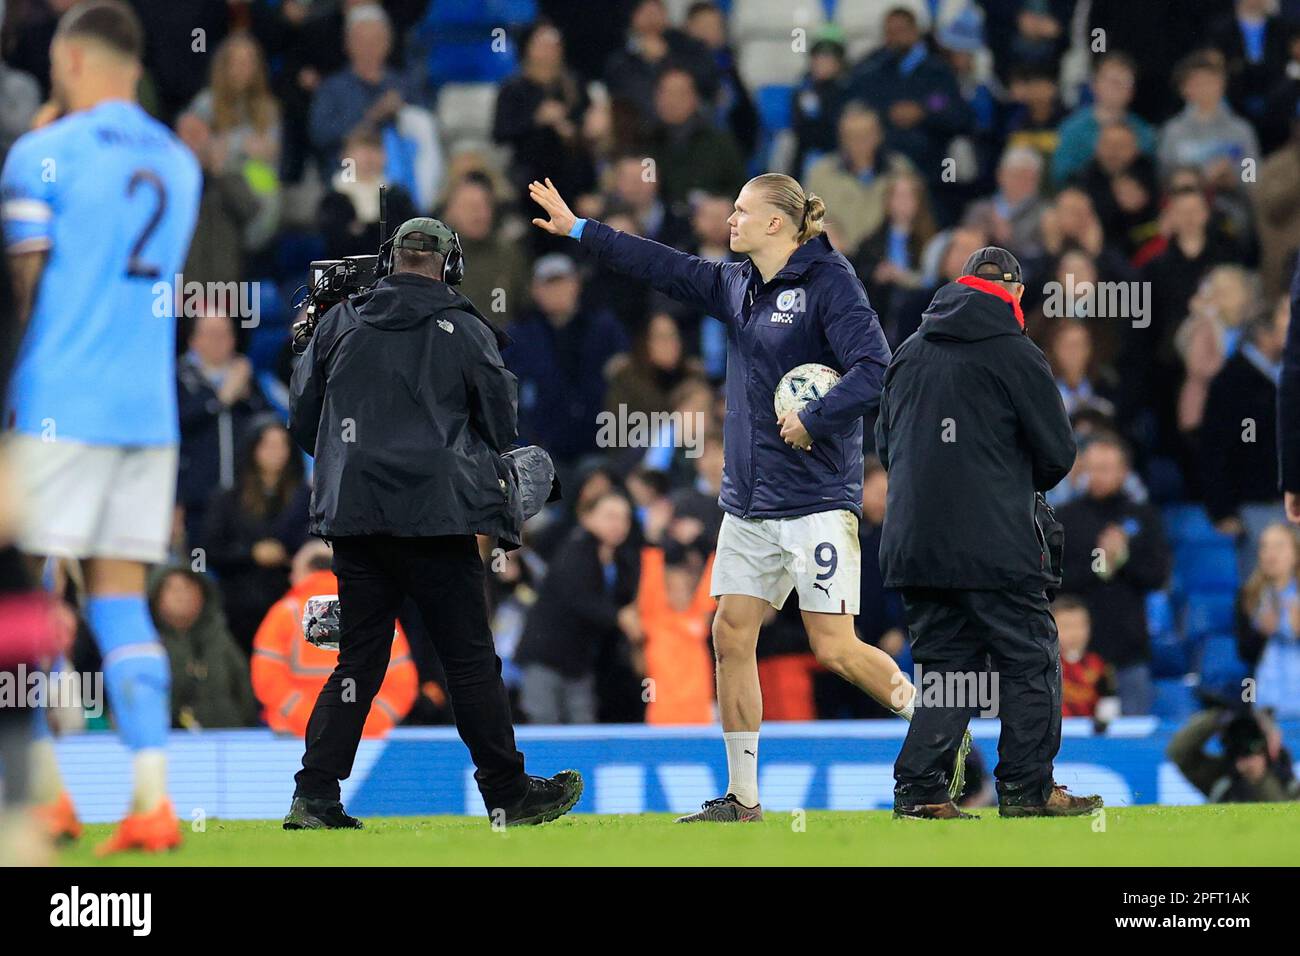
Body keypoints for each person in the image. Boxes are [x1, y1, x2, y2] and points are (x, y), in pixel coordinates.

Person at [529, 171, 940, 824]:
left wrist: (818, 416)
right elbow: (658, 264)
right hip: (749, 504)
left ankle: (939, 728)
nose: (732, 220)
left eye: (744, 211)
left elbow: (876, 369)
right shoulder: (735, 282)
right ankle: (744, 799)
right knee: (730, 634)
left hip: (816, 499)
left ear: (777, 222)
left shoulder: (830, 283)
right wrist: (581, 228)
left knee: (833, 647)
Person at [286, 215, 582, 829]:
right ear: (450, 266)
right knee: (469, 661)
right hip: (438, 516)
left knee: (359, 662)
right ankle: (506, 792)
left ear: (390, 258)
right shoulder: (467, 327)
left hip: (356, 516)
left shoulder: (341, 320)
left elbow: (303, 421)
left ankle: (314, 795)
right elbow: (502, 428)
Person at [0, 0, 202, 855]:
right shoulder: (182, 161)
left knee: (27, 599)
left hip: (58, 402)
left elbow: (25, 286)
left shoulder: (41, 153)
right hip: (146, 412)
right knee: (120, 600)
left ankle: (43, 793)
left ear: (76, 63)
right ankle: (152, 802)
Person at [876, 245, 1100, 819]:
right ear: (1017, 294)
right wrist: (1006, 477)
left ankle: (921, 791)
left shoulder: (908, 351)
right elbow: (1057, 454)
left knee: (947, 672)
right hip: (994, 544)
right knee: (1029, 659)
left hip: (914, 545)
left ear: (960, 284)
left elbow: (886, 448)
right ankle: (1027, 790)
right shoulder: (1016, 353)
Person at [251, 541, 418, 739]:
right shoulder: (376, 614)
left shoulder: (285, 613)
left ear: (301, 571)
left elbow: (267, 677)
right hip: (363, 739)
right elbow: (402, 682)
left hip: (293, 738)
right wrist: (368, 723)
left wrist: (309, 719)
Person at [1057, 435, 1172, 715]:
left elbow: (1157, 575)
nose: (1097, 476)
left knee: (1134, 737)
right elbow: (1054, 581)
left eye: (1106, 468)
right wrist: (1099, 567)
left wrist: (1123, 558)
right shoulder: (1065, 517)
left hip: (1128, 653)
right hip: (1076, 657)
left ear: (1124, 471)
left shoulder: (1144, 516)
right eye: (1092, 468)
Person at [149, 566, 257, 730]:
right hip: (164, 743)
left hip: (225, 740)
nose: (181, 596)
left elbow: (244, 695)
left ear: (203, 595)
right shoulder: (144, 645)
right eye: (171, 588)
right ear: (155, 597)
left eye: (188, 588)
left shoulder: (221, 639)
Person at [1236, 523, 1300, 720]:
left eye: (1279, 546)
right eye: (1265, 546)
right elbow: (1245, 654)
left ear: (1296, 553)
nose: (1271, 553)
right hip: (1261, 700)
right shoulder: (1248, 596)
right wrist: (1262, 634)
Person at [1168, 707, 1297, 802]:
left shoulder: (1286, 779)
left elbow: (1287, 824)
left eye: (1254, 736)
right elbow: (1178, 751)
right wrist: (1218, 717)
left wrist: (1260, 779)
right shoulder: (1220, 776)